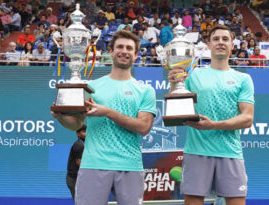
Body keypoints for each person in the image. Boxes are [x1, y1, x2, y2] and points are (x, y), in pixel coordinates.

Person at [51, 30, 156, 205]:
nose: (124, 51)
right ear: (111, 51)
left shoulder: (145, 90)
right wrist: (59, 116)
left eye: (129, 48)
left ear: (136, 55)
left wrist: (107, 112)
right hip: (93, 163)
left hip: (129, 164)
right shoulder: (91, 87)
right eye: (120, 47)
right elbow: (75, 124)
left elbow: (144, 127)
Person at [168, 24, 254, 205]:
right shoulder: (193, 76)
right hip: (197, 151)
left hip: (230, 152)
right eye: (216, 39)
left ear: (232, 45)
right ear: (208, 44)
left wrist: (214, 125)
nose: (220, 42)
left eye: (225, 39)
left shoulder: (243, 79)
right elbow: (178, 106)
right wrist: (175, 84)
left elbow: (247, 118)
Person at [66, 124, 86, 201]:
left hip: (79, 178)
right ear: (78, 134)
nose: (86, 133)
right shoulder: (79, 145)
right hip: (74, 179)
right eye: (84, 131)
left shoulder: (84, 144)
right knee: (79, 201)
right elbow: (79, 163)